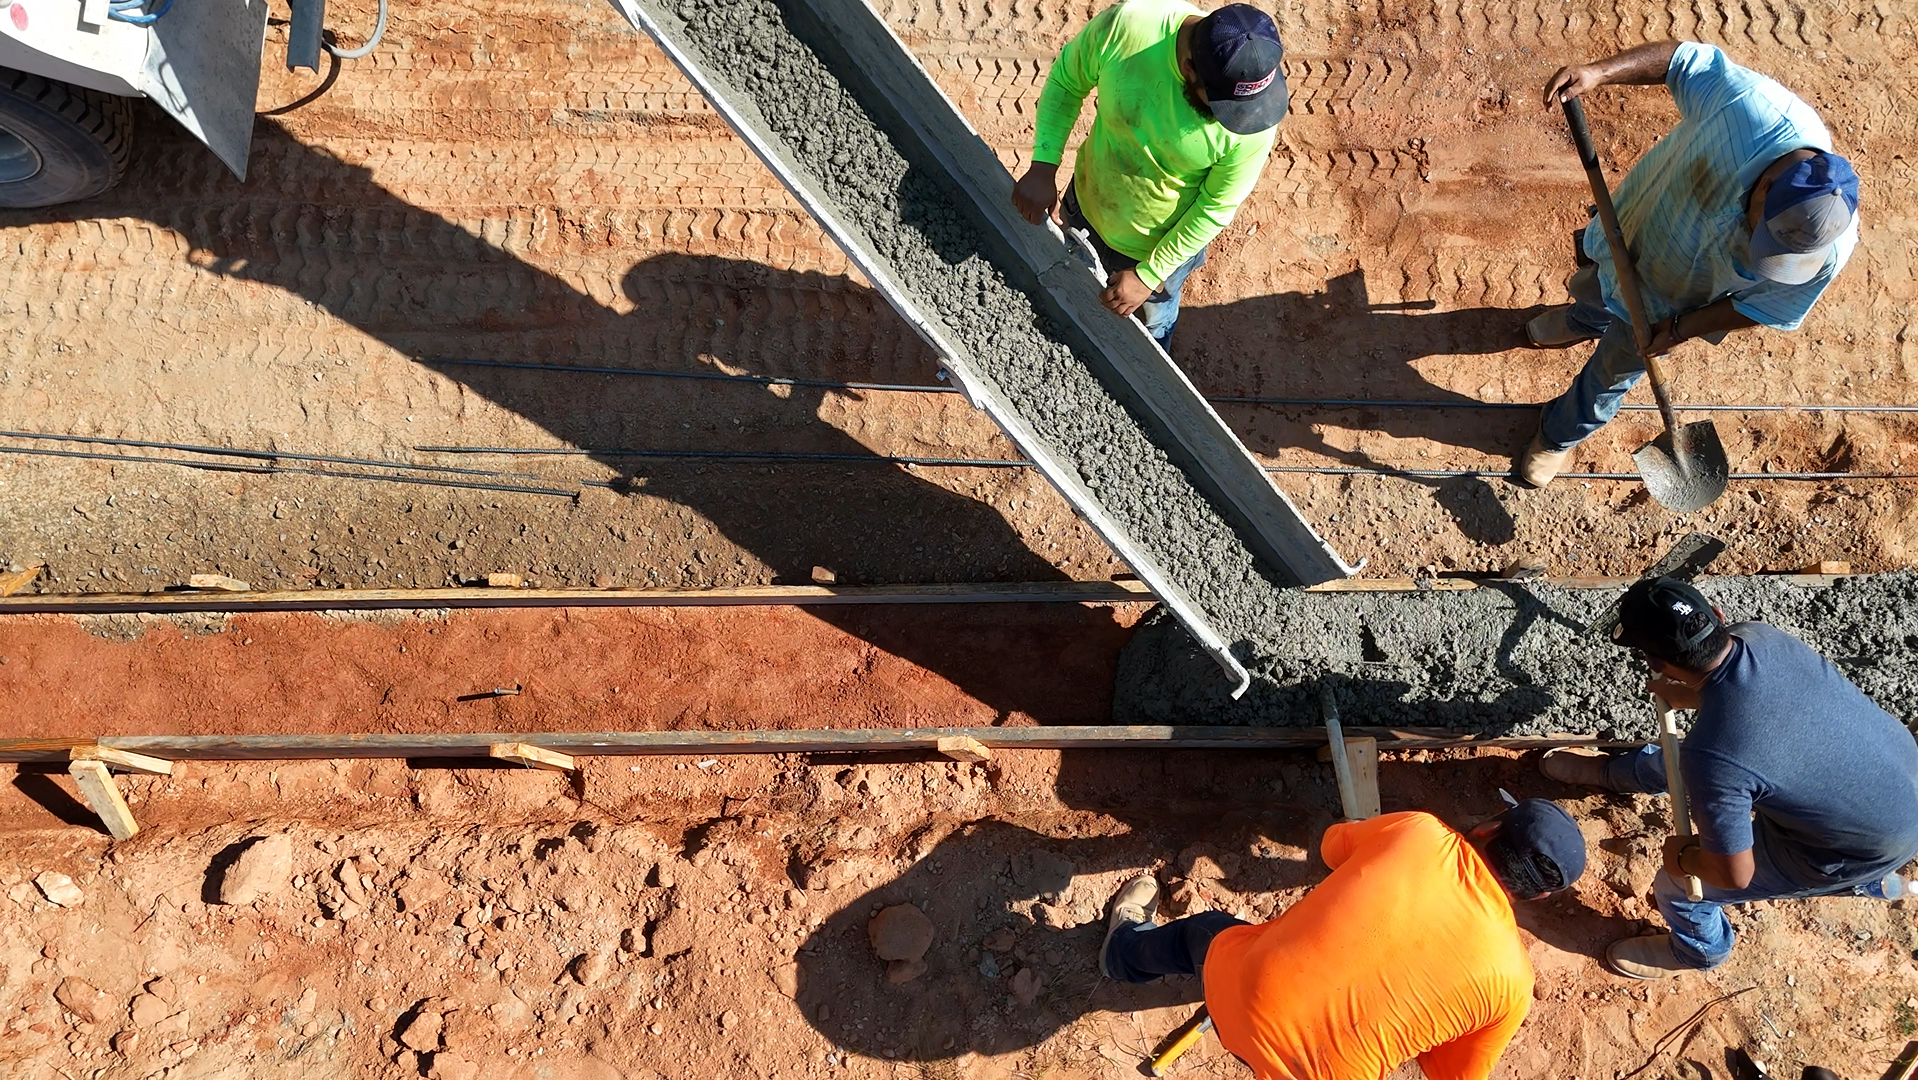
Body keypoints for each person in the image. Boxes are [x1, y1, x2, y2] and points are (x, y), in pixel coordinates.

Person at [1514, 40, 1861, 487]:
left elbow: (1757, 308)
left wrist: (1679, 330)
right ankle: (1583, 320)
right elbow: (1682, 61)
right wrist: (1600, 72)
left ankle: (1558, 433)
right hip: (1632, 231)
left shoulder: (1824, 252)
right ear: (1767, 184)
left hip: (1666, 305)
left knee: (1608, 379)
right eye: (1763, 236)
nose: (1762, 249)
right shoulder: (1748, 109)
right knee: (1594, 286)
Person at [1541, 577, 1918, 978]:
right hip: (1898, 780)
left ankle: (1700, 952)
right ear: (1719, 617)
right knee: (1696, 762)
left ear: (1654, 662)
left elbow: (1735, 875)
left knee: (1677, 885)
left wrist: (1684, 857)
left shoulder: (1715, 753)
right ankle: (1609, 773)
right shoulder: (1762, 638)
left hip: (1844, 849)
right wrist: (1700, 693)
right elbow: (1750, 706)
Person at [1099, 803, 1587, 1079]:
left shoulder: (1420, 833)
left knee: (1201, 933)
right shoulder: (1512, 983)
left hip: (1244, 1001)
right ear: (1540, 895)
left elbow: (1333, 847)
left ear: (1487, 825)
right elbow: (1448, 1074)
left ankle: (1123, 955)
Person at [1010, 0, 1287, 350]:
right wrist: (1043, 165)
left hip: (1159, 249)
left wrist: (1149, 276)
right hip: (1085, 208)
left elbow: (1215, 206)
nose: (1233, 120)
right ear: (1189, 68)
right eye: (1221, 106)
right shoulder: (1128, 28)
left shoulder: (1255, 120)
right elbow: (1067, 81)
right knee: (1068, 286)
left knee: (1152, 328)